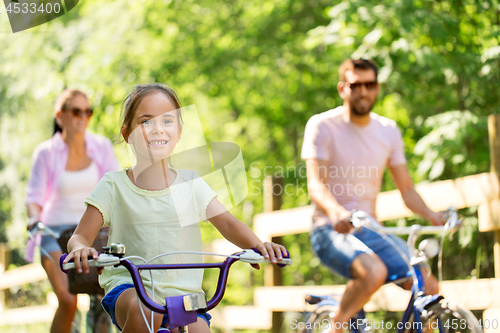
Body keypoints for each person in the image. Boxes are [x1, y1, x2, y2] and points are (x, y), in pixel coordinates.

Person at [63, 83, 288, 333]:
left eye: (167, 120)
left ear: (179, 131)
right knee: (144, 312)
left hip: (185, 297)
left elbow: (228, 223)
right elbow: (80, 236)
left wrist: (258, 245)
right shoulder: (113, 185)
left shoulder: (190, 184)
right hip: (130, 288)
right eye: (146, 121)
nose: (158, 128)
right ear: (127, 134)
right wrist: (81, 248)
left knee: (200, 331)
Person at [301, 59, 445, 332]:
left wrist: (432, 215)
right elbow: (316, 185)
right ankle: (336, 326)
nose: (363, 92)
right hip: (330, 229)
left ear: (377, 88)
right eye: (356, 85)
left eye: (370, 85)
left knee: (428, 284)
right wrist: (336, 213)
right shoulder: (322, 125)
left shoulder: (388, 131)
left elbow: (407, 190)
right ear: (342, 88)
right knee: (373, 272)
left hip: (371, 230)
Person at [26, 88, 120, 333]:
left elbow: (117, 188)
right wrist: (34, 218)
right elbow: (34, 198)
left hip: (93, 232)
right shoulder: (45, 153)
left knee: (105, 300)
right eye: (76, 111)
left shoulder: (101, 146)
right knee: (68, 300)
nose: (83, 117)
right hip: (54, 233)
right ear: (60, 116)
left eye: (88, 111)